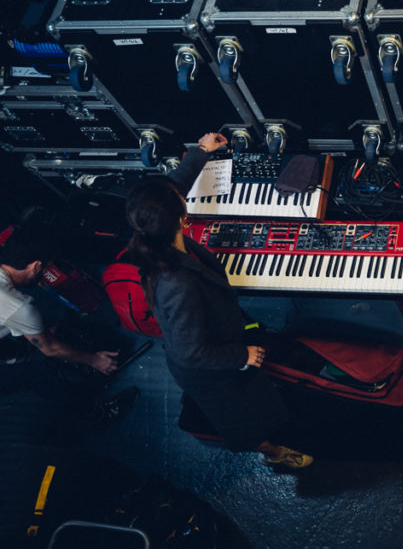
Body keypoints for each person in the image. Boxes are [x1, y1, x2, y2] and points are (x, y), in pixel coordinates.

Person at [124, 133, 313, 470]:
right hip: (206, 370)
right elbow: (192, 352)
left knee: (256, 394)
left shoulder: (150, 228)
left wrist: (201, 152)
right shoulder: (177, 285)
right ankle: (271, 452)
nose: (180, 194)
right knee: (239, 419)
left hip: (220, 339)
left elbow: (172, 187)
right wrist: (243, 355)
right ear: (181, 219)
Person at [1, 210, 138, 432]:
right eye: (44, 268)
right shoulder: (19, 306)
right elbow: (50, 348)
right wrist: (94, 360)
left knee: (30, 337)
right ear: (36, 266)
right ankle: (94, 416)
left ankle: (21, 349)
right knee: (39, 374)